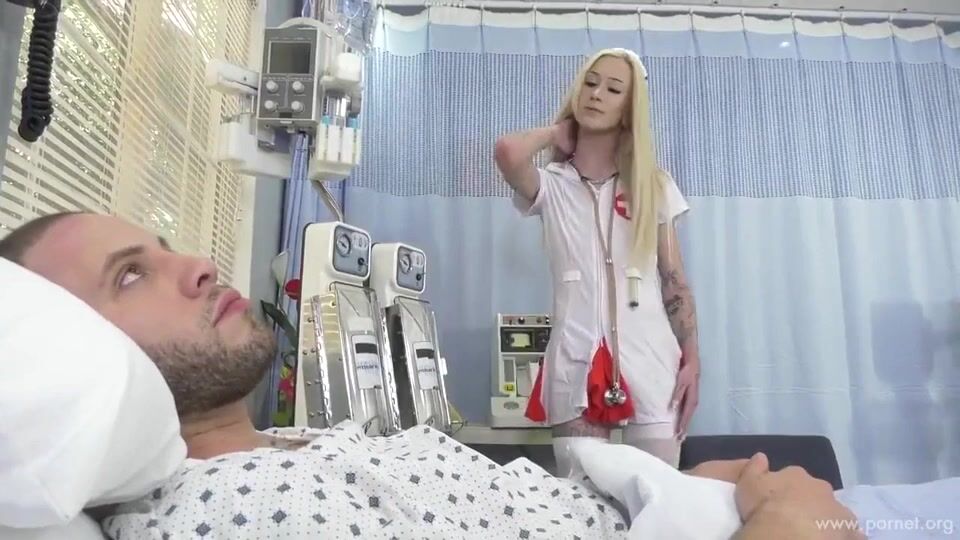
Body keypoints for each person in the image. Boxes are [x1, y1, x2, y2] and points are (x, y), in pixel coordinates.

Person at [0, 212, 863, 539]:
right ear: (72, 355)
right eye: (129, 277)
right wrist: (797, 530)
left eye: (161, 246)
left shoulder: (295, 444)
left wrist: (686, 490)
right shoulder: (230, 514)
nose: (196, 263)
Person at [494, 48, 699, 472]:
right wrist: (557, 132)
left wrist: (692, 360)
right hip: (575, 358)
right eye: (589, 83)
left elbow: (674, 279)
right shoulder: (553, 185)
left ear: (629, 109)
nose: (596, 94)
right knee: (578, 501)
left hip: (652, 359)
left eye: (613, 89)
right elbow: (508, 151)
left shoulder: (653, 187)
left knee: (656, 497)